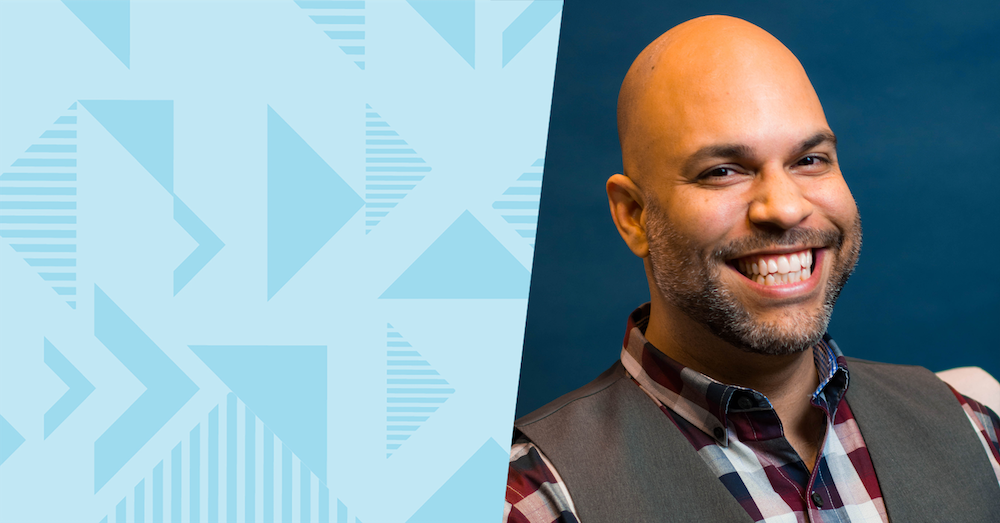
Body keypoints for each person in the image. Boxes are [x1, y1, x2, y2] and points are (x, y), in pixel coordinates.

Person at [504, 15, 1000, 523]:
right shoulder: (532, 501)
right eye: (722, 171)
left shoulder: (976, 431)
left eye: (810, 159)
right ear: (634, 216)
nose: (784, 209)